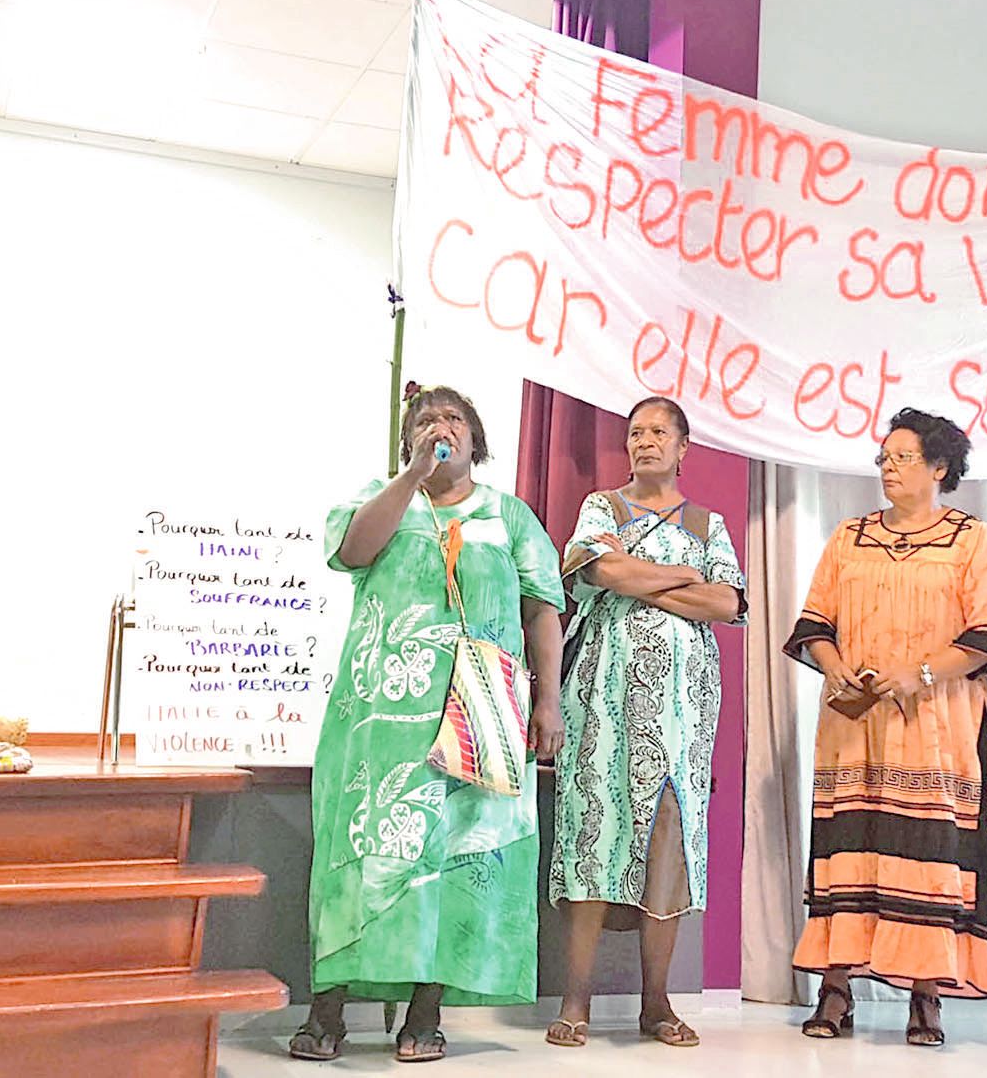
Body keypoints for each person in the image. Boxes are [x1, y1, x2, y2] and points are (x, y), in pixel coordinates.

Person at [290, 385, 565, 1064]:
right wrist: (410, 473)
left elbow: (542, 610)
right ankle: (327, 1010)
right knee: (361, 855)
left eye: (453, 419)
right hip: (379, 718)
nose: (440, 427)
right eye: (425, 420)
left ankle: (426, 1011)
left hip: (480, 709)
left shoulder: (510, 517)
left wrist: (548, 701)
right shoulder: (382, 496)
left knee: (454, 858)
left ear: (476, 438)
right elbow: (354, 551)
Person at [783, 408, 987, 1048]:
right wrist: (835, 664)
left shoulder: (970, 539)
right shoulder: (849, 537)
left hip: (936, 723)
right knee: (851, 845)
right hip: (855, 727)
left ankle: (927, 996)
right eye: (884, 459)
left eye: (901, 458)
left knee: (928, 852)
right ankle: (835, 988)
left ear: (939, 467)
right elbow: (814, 623)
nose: (888, 468)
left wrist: (919, 672)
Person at [545, 396, 746, 1049]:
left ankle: (655, 1003)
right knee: (590, 833)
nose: (644, 441)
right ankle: (574, 1000)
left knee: (669, 840)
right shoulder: (601, 507)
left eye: (659, 431)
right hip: (599, 704)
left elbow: (725, 599)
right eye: (634, 432)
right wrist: (678, 575)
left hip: (681, 715)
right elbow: (595, 567)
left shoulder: (707, 521)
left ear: (684, 446)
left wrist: (641, 580)